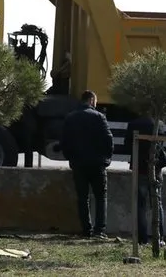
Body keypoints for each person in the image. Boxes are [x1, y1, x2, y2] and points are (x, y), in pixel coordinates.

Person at [60, 90, 113, 238]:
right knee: (101, 197)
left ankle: (86, 230)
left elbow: (64, 142)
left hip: (79, 164)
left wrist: (71, 158)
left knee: (83, 198)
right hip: (97, 164)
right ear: (91, 100)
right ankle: (99, 231)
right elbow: (108, 139)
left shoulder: (70, 118)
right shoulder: (99, 117)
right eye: (95, 101)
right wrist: (106, 160)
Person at [125, 115, 166, 246]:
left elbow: (127, 145)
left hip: (140, 169)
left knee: (141, 206)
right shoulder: (159, 124)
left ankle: (142, 239)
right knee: (157, 203)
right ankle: (160, 237)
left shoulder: (134, 123)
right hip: (156, 169)